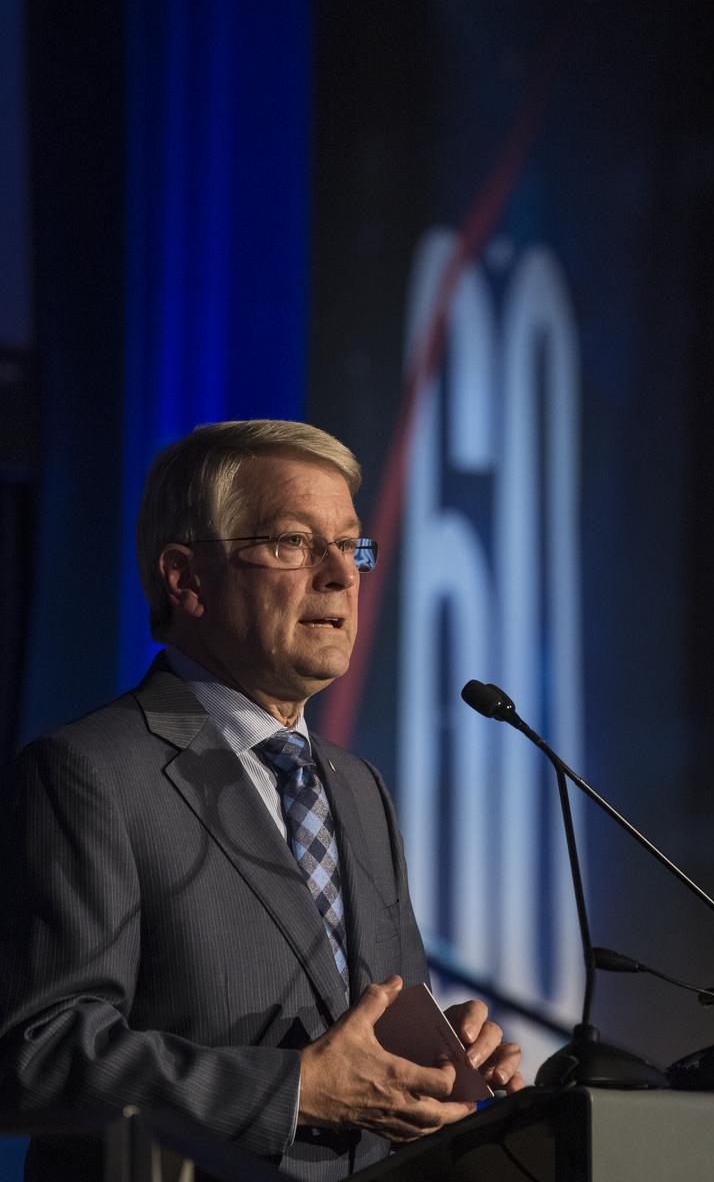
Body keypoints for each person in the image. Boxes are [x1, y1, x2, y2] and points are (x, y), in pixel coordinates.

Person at [0, 419, 523, 1181]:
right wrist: (295, 1091)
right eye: (291, 543)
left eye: (350, 546)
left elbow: (372, 1035)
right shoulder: (89, 772)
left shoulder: (359, 786)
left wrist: (442, 1058)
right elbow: (37, 1053)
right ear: (185, 579)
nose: (341, 576)